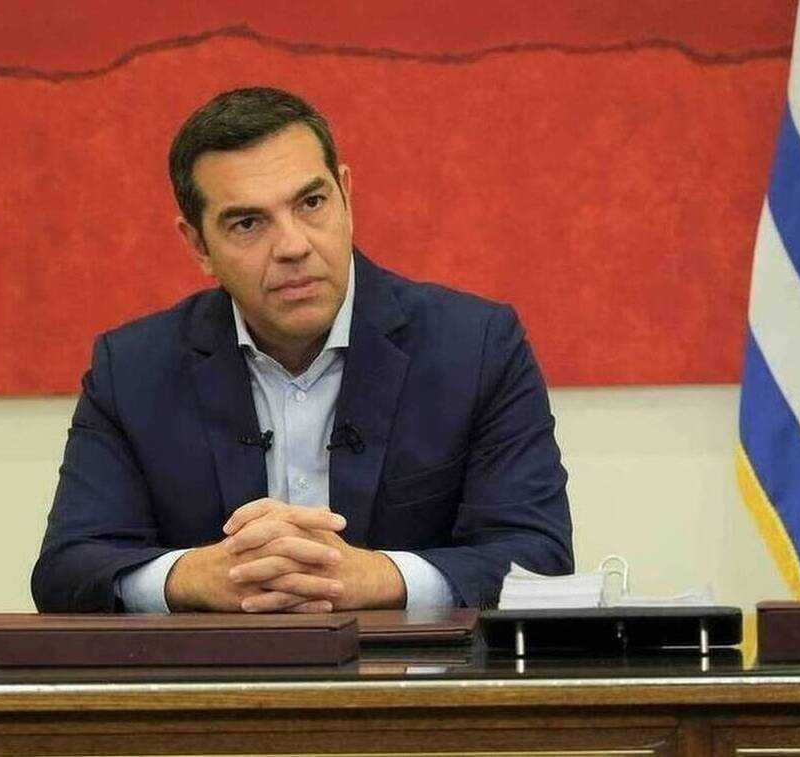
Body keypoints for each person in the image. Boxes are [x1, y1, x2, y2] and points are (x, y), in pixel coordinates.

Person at [30, 87, 573, 614]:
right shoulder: (131, 370)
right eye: (248, 223)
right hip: (217, 676)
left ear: (346, 194)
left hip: (412, 673)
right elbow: (68, 569)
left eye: (311, 203)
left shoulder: (477, 347)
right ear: (198, 245)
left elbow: (539, 557)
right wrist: (195, 576)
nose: (293, 246)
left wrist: (378, 576)